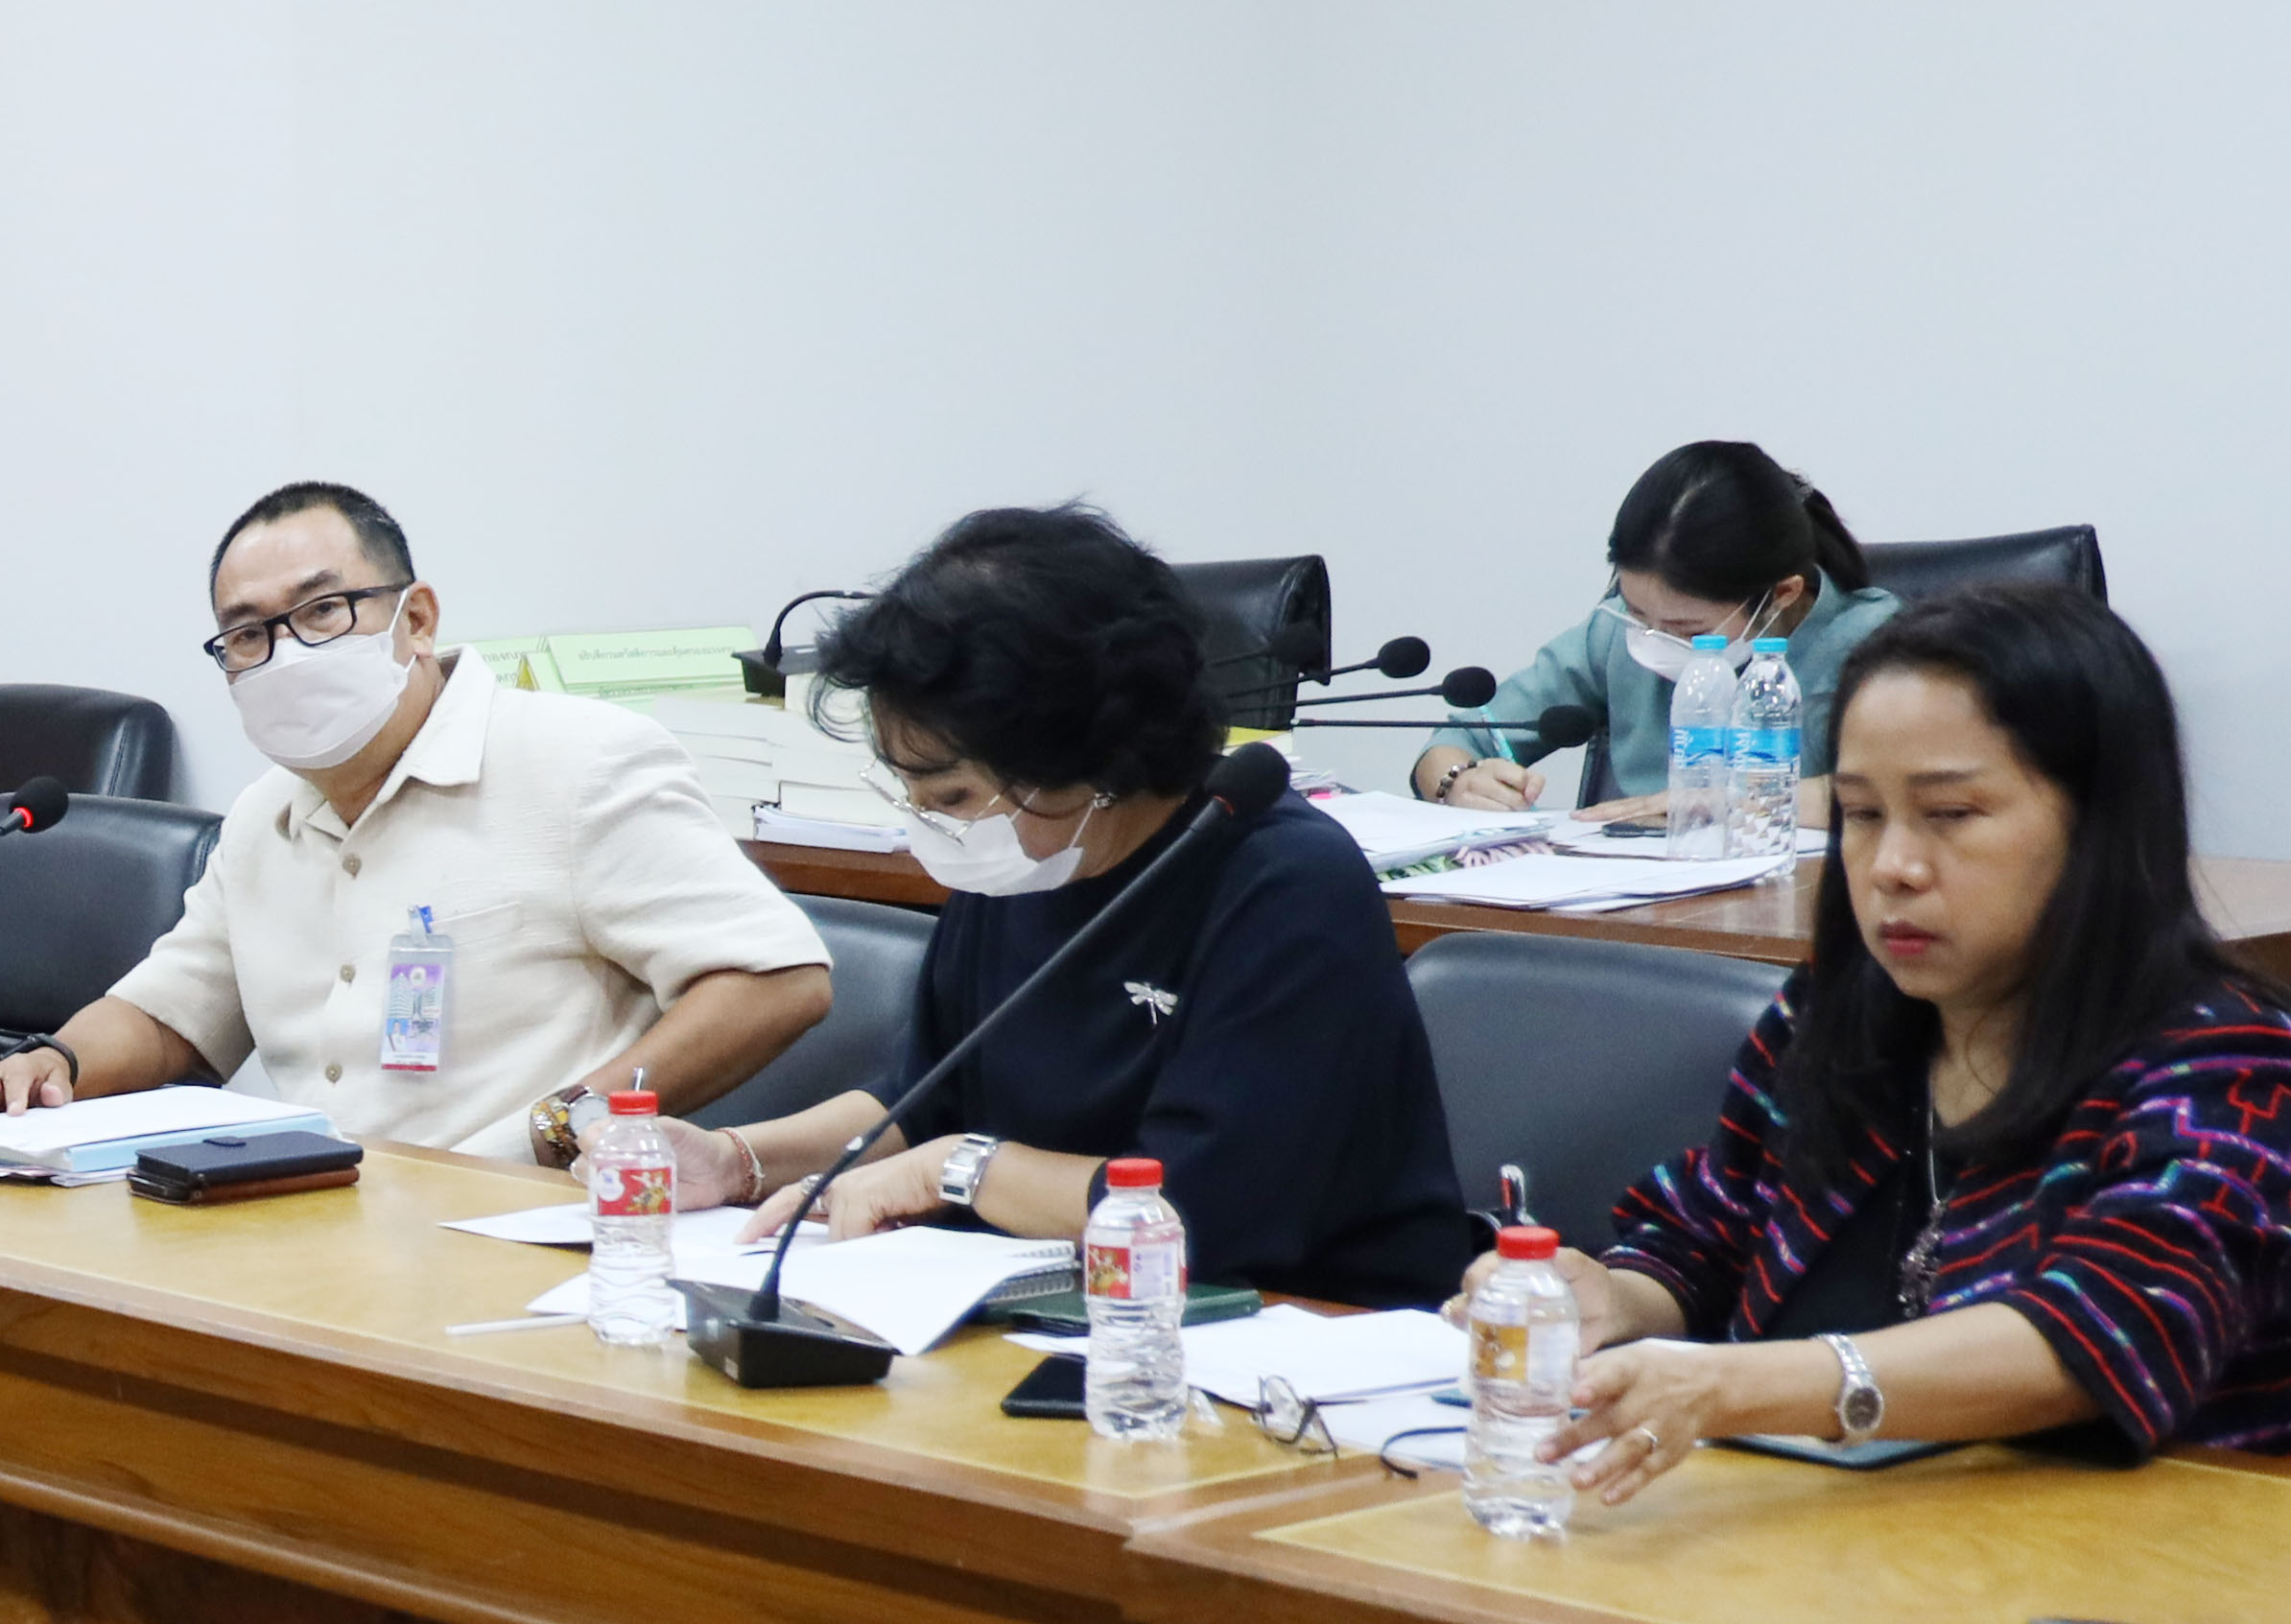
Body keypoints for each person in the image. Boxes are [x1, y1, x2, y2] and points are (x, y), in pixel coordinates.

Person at [1550, 584, 2291, 1496]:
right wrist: (1609, 1303)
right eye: (1862, 815)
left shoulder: (2228, 1065)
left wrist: (1733, 1387)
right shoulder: (1834, 1016)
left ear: (2099, 822)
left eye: (1951, 815)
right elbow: (1712, 1230)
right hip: (1812, 1536)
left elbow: (2107, 1328)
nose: (1892, 867)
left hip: (2118, 1555)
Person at [649, 506, 1478, 1307]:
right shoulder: (1025, 860)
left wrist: (957, 1170)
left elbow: (1201, 1213)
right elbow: (924, 1099)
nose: (926, 822)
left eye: (951, 794)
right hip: (1054, 1297)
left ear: (1092, 755)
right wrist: (735, 1159)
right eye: (908, 790)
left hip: (1291, 1320)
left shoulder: (1287, 887)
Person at [0, 480, 828, 1152]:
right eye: (248, 634)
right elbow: (170, 1015)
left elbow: (777, 979)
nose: (286, 654)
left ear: (416, 619)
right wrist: (51, 1063)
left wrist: (563, 1126)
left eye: (322, 611)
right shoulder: (266, 816)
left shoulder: (580, 764)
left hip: (516, 1227)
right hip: (312, 1217)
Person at [1416, 440, 1901, 816]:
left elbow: (1904, 797)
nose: (1653, 639)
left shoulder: (1879, 646)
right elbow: (1457, 741)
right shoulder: (1612, 636)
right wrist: (1458, 782)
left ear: (1783, 594)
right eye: (1637, 614)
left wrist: (1728, 801)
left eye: (1686, 628)